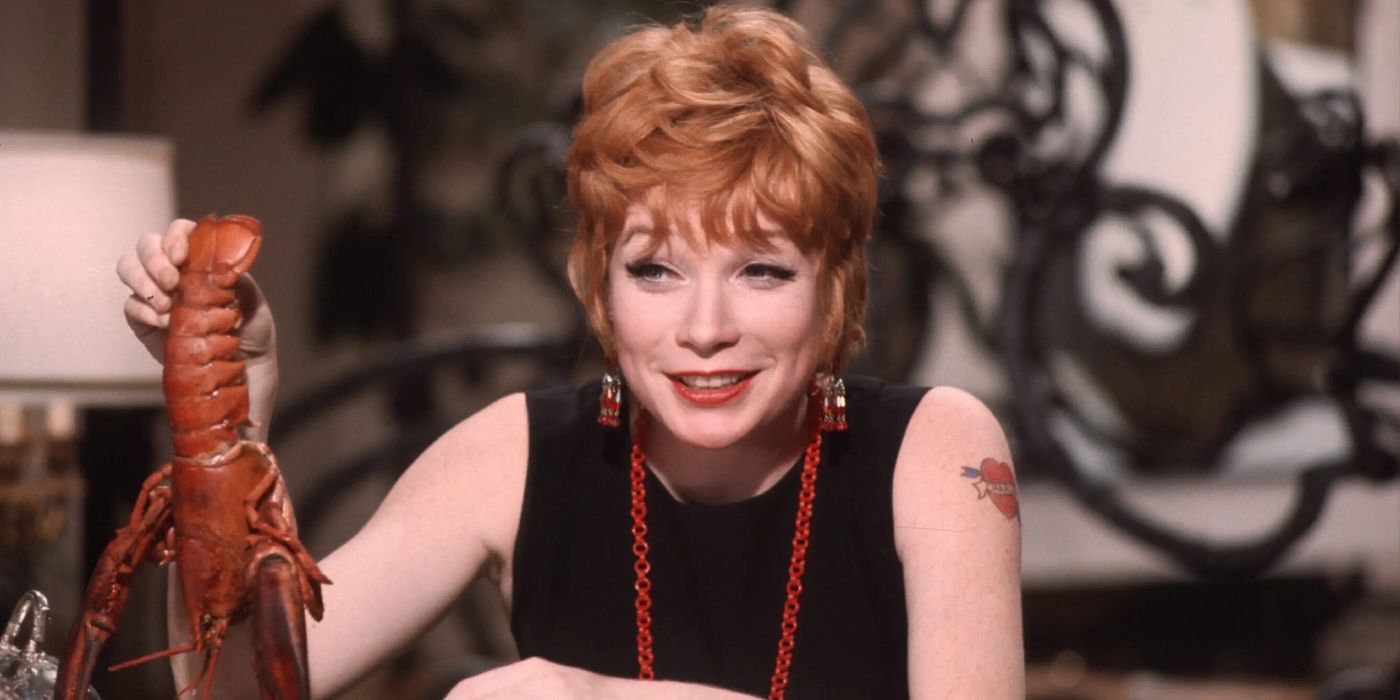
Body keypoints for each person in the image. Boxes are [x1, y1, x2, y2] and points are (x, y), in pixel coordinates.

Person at [116, 5, 1022, 698]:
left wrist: (590, 693)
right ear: (598, 286)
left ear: (835, 286)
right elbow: (231, 686)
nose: (704, 327)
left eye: (761, 270)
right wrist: (235, 425)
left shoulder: (936, 452)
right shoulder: (512, 455)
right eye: (656, 271)